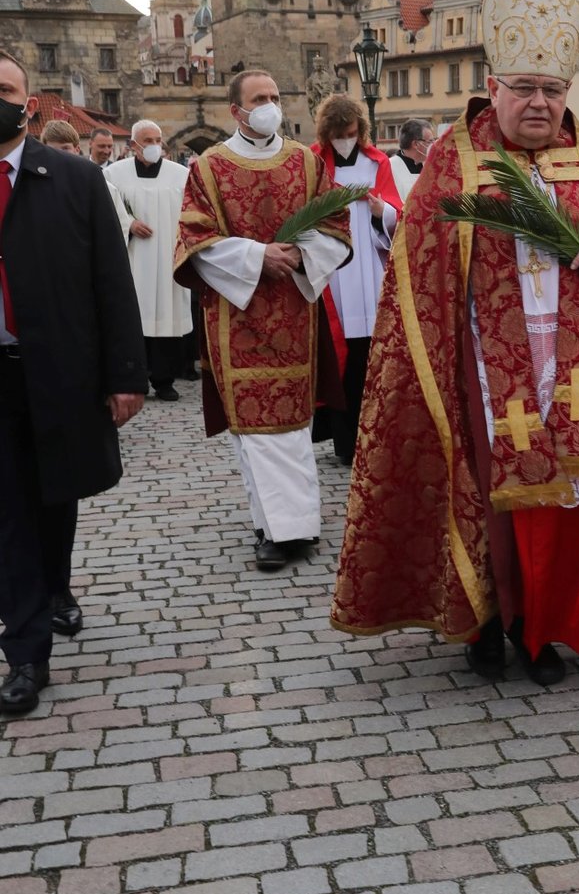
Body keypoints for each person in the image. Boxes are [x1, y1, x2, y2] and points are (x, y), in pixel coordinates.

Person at [331, 0, 579, 686]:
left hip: (576, 373)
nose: (541, 104)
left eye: (553, 90)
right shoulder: (456, 156)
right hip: (487, 368)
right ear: (496, 85)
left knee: (566, 506)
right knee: (492, 501)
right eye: (526, 89)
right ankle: (483, 621)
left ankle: (544, 630)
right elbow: (417, 267)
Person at [0, 48, 146, 716]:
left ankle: (55, 587)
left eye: (5, 88)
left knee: (54, 494)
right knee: (10, 515)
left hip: (56, 370)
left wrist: (125, 376)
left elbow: (111, 285)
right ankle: (27, 653)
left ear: (28, 102)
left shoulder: (72, 179)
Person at [175, 69, 352, 571]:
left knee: (294, 425)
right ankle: (276, 529)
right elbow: (194, 238)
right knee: (254, 427)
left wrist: (299, 256)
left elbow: (334, 223)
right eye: (259, 98)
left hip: (295, 313)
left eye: (275, 96)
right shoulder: (210, 167)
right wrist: (257, 257)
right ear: (237, 111)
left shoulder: (305, 163)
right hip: (238, 316)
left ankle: (295, 526)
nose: (270, 104)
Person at [313, 93, 401, 465]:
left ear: (361, 130)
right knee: (339, 362)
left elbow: (397, 213)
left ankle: (373, 440)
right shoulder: (314, 162)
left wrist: (381, 210)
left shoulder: (376, 162)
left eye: (350, 132)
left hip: (367, 272)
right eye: (338, 133)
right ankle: (344, 443)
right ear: (327, 133)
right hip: (334, 274)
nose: (344, 139)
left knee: (368, 360)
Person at [105, 120, 192, 402]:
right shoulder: (113, 175)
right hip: (133, 259)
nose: (154, 145)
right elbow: (105, 211)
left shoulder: (180, 175)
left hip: (168, 258)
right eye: (147, 140)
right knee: (134, 318)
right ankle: (135, 378)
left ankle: (164, 380)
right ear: (133, 145)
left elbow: (192, 214)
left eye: (158, 139)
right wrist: (128, 224)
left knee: (167, 317)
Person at [389, 118, 435, 202]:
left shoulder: (432, 167)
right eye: (430, 141)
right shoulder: (389, 167)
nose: (433, 145)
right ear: (416, 144)